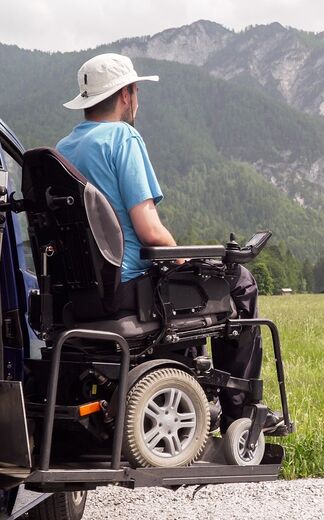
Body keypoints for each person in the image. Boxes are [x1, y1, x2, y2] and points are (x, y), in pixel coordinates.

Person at [57, 53, 282, 434]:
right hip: (126, 289)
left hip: (78, 298)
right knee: (238, 280)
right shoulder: (122, 137)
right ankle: (240, 414)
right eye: (136, 90)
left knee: (202, 283)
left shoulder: (62, 150)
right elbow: (149, 230)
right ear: (127, 95)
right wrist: (185, 259)